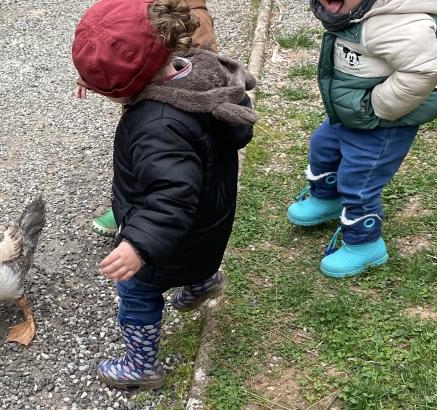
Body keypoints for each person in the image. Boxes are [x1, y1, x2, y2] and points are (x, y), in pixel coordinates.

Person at [71, 0, 257, 390]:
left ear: (125, 88)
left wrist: (139, 244)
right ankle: (202, 284)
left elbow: (171, 195)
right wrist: (104, 78)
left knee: (136, 291)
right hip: (209, 221)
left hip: (171, 241)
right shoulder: (199, 72)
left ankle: (141, 366)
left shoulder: (157, 126)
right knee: (198, 260)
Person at [287, 0, 437, 278]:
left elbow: (424, 70)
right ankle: (328, 198)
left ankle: (365, 244)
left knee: (359, 179)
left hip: (384, 121)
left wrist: (378, 106)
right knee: (323, 147)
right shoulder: (356, 11)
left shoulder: (400, 23)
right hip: (352, 110)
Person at [87, 0, 219, 237]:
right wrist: (93, 74)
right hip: (146, 99)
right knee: (140, 154)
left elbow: (205, 69)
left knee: (166, 166)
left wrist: (140, 243)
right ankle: (131, 208)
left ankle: (143, 218)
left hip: (173, 109)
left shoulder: (194, 17)